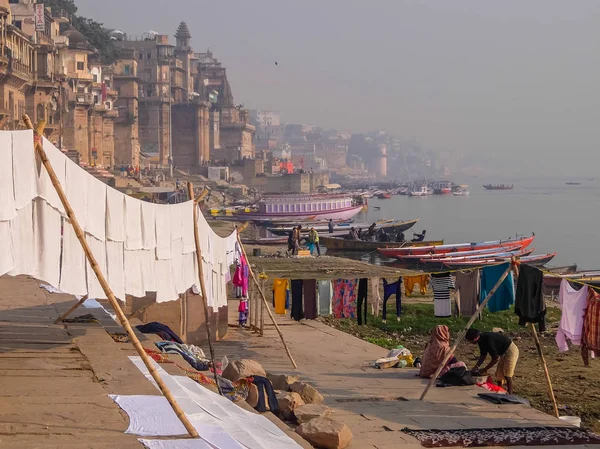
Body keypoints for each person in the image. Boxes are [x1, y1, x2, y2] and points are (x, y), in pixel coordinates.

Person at [466, 328, 519, 394]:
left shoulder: (488, 340)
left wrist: (485, 369)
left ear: (475, 338)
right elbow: (483, 355)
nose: (470, 342)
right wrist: (476, 366)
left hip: (510, 350)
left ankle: (510, 394)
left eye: (470, 341)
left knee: (507, 373)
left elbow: (495, 359)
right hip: (502, 352)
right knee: (499, 373)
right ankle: (500, 391)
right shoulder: (480, 341)